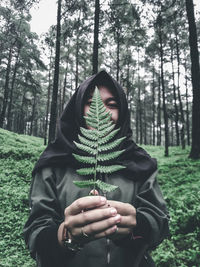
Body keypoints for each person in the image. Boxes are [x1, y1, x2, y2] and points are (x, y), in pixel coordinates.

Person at [23, 70, 169, 267]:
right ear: (77, 108)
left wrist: (138, 226)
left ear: (123, 111)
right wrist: (65, 236)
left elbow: (159, 222)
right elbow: (35, 232)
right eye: (91, 103)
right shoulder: (53, 162)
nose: (103, 112)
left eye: (112, 104)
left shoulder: (139, 162)